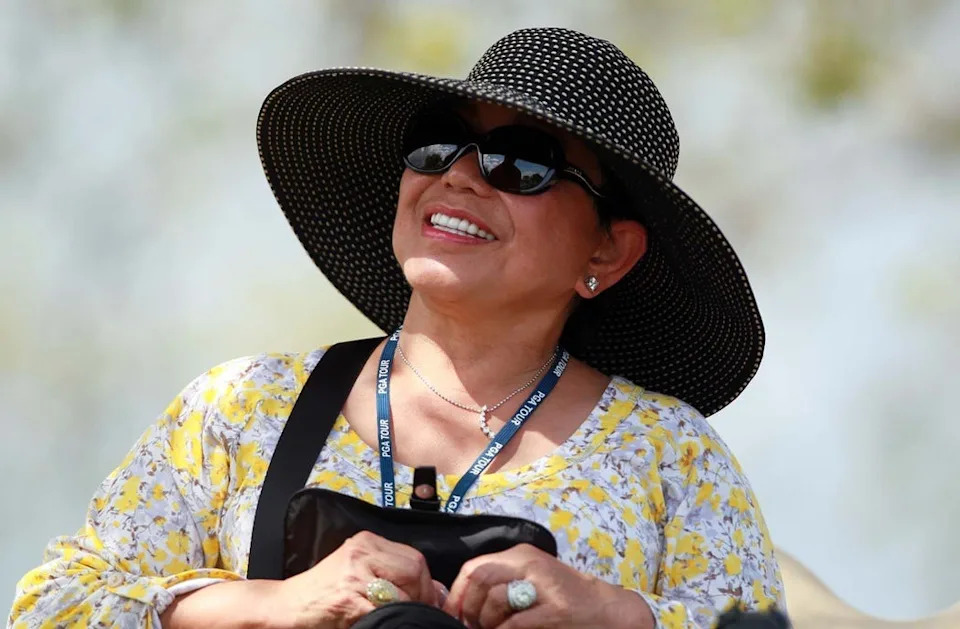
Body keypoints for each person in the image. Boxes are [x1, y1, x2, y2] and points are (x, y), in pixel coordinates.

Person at [8, 27, 784, 629]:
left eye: (522, 161)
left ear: (608, 250)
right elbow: (50, 606)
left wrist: (622, 615)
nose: (458, 175)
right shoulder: (243, 408)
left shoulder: (669, 457)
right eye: (439, 142)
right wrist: (266, 606)